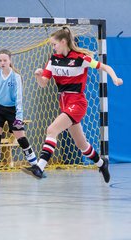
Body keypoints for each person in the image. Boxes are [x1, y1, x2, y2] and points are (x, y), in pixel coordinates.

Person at [22, 27, 123, 182]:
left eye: (54, 44)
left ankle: (39, 167)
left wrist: (115, 78)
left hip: (77, 103)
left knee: (52, 129)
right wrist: (38, 76)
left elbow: (105, 67)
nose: (53, 47)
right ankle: (102, 163)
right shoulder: (53, 60)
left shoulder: (80, 58)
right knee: (81, 144)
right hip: (64, 103)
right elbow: (43, 83)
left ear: (63, 42)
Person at [0, 49, 39, 179]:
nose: (2, 62)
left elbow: (19, 99)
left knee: (21, 139)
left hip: (12, 111)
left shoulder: (16, 77)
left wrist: (19, 118)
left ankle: (37, 167)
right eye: (0, 60)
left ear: (10, 60)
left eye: (5, 60)